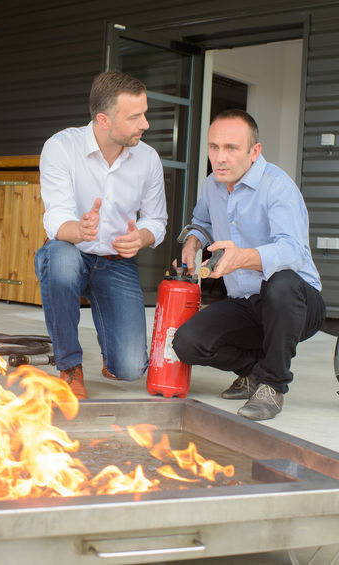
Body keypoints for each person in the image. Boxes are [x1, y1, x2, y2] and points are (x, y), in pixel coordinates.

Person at [173, 109, 326, 421]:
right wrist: (192, 241)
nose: (220, 157)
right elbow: (201, 222)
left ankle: (272, 385)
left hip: (296, 304)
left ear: (255, 151)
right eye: (214, 147)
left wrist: (243, 256)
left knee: (280, 282)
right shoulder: (211, 185)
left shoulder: (277, 187)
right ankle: (255, 372)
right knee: (187, 343)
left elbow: (293, 251)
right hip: (246, 302)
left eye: (231, 148)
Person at [34, 71, 168, 399]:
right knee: (61, 260)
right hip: (70, 251)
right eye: (135, 116)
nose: (145, 124)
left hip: (115, 262)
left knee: (130, 369)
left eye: (144, 113)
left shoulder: (148, 159)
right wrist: (78, 230)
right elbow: (55, 220)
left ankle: (112, 346)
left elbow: (157, 220)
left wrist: (143, 238)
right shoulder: (61, 148)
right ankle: (69, 367)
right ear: (104, 120)